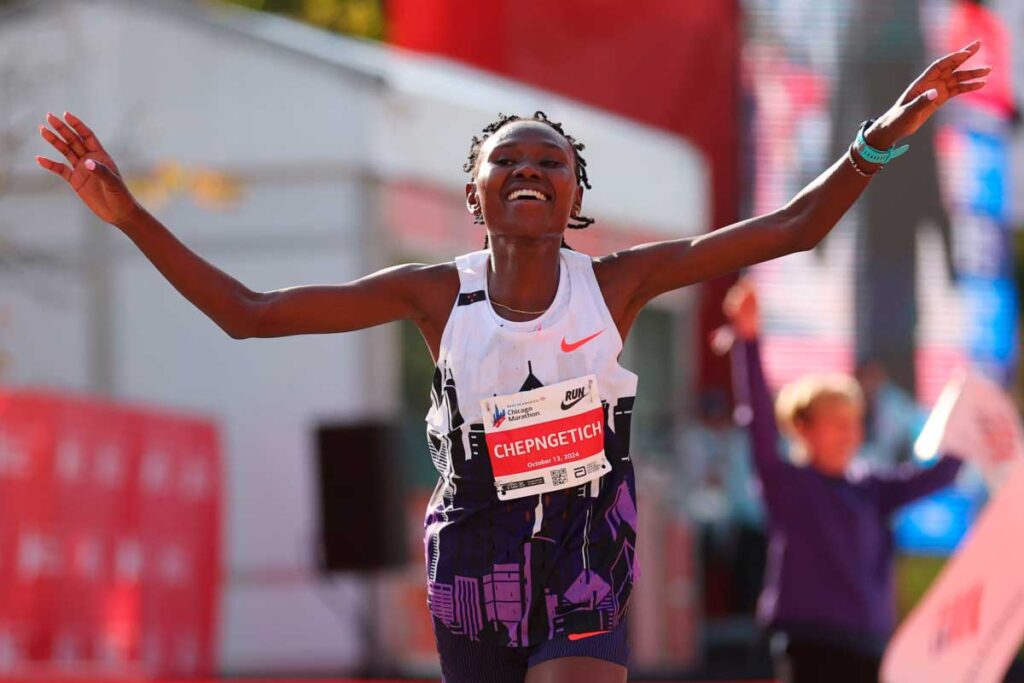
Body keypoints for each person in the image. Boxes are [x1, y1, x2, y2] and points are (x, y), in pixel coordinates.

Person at [34, 41, 987, 683]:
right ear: (474, 192)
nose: (529, 170)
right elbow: (248, 314)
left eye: (549, 163)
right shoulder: (433, 293)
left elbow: (787, 228)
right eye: (508, 162)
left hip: (585, 540)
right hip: (475, 550)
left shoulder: (614, 282)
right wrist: (131, 216)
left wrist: (873, 143)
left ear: (574, 195)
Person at [721, 279, 963, 683]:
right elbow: (758, 422)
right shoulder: (786, 483)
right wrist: (748, 341)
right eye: (836, 424)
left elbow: (941, 474)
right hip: (808, 644)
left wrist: (974, 422)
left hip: (869, 644)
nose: (849, 434)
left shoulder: (873, 487)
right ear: (803, 428)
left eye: (853, 424)